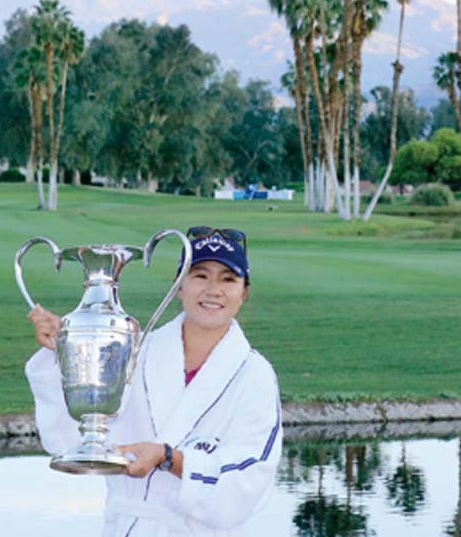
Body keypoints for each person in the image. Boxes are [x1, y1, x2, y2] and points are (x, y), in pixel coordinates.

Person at [25, 226, 282, 536]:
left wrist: (169, 459)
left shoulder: (255, 376)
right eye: (200, 275)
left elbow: (247, 483)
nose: (214, 289)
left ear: (244, 292)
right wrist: (67, 355)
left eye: (228, 279)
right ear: (178, 286)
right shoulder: (135, 350)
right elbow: (68, 442)